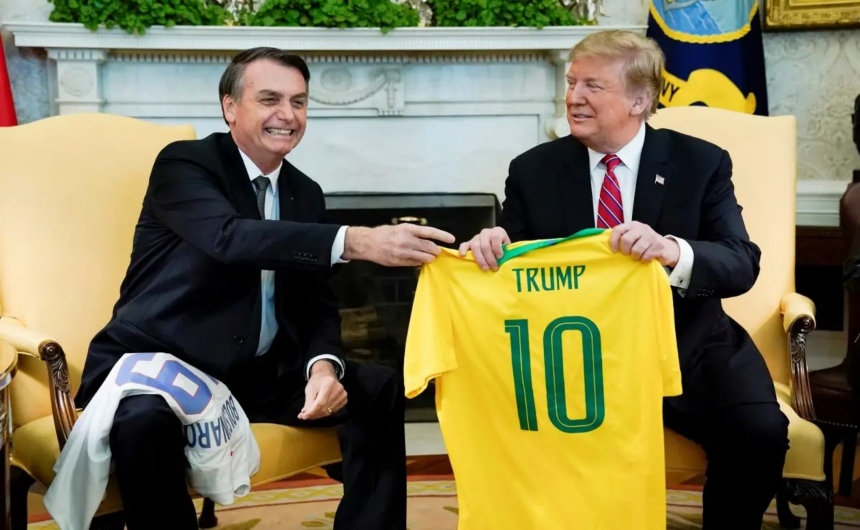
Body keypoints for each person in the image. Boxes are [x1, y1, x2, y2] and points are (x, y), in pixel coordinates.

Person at [75, 47, 454, 530]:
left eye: (298, 102)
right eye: (270, 99)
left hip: (254, 374)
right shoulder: (184, 165)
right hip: (161, 369)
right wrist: (356, 240)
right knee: (142, 424)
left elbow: (315, 300)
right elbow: (228, 238)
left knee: (376, 386)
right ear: (230, 106)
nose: (287, 115)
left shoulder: (305, 192)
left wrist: (322, 368)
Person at [459, 30, 789, 529]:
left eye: (593, 85)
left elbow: (740, 261)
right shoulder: (534, 170)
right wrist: (489, 248)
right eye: (571, 83)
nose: (573, 97)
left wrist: (670, 250)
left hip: (688, 345)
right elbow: (514, 261)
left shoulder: (700, 163)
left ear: (640, 99)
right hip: (576, 360)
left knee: (759, 431)